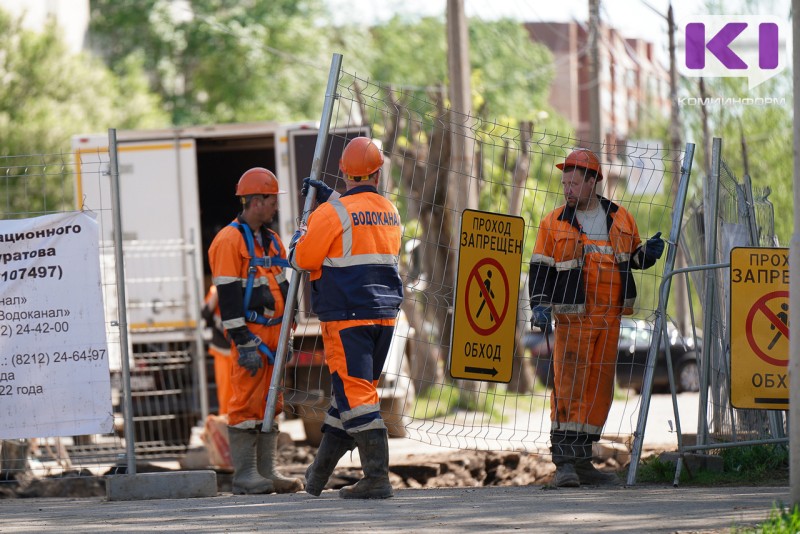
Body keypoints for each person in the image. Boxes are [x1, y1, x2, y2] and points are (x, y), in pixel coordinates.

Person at [528, 148, 665, 488]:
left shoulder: (621, 218)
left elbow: (631, 257)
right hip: (573, 320)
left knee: (599, 391)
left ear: (593, 182)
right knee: (568, 389)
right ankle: (564, 463)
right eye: (564, 183)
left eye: (574, 183)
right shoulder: (553, 222)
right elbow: (540, 268)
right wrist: (540, 305)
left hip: (609, 319)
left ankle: (583, 460)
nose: (567, 189)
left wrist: (646, 255)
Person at [289, 137, 403, 499]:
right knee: (350, 397)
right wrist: (333, 201)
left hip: (347, 315)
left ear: (343, 170)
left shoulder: (330, 213)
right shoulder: (390, 210)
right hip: (383, 315)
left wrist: (298, 237)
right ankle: (317, 475)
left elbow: (304, 260)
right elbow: (359, 224)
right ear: (378, 171)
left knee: (356, 396)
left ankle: (377, 477)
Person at [208, 167, 304, 495]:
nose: (276, 206)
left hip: (275, 336)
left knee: (270, 402)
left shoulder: (271, 240)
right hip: (252, 337)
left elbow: (284, 286)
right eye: (271, 200)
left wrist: (289, 330)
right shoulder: (229, 240)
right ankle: (246, 475)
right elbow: (228, 297)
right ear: (255, 201)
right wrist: (242, 340)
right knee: (245, 402)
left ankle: (267, 471)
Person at [201, 285, 234, 416]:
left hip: (241, 349)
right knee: (225, 391)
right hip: (223, 350)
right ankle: (226, 423)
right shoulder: (215, 290)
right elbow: (205, 314)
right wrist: (217, 293)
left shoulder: (245, 284)